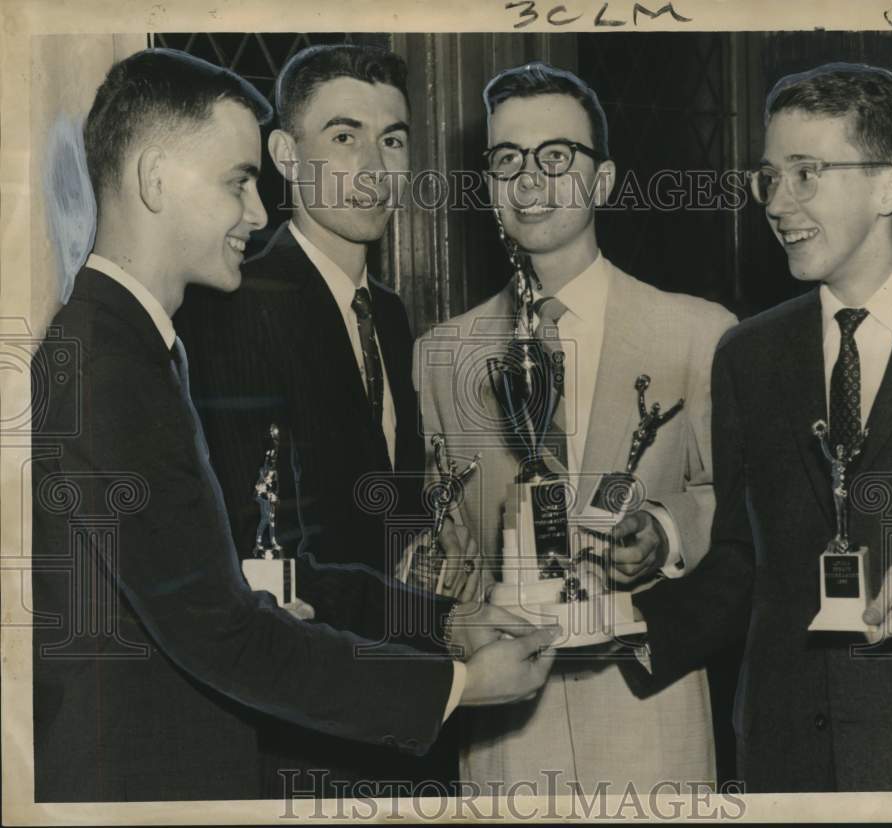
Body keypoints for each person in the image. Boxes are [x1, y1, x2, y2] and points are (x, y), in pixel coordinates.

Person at [31, 47, 557, 803]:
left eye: (395, 138)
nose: (256, 209)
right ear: (153, 179)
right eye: (238, 182)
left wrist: (439, 620)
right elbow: (226, 628)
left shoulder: (132, 344)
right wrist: (459, 685)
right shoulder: (107, 361)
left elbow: (237, 583)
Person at [631, 63, 892, 792]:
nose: (778, 203)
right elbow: (739, 559)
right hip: (781, 760)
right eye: (768, 178)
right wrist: (622, 630)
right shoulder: (747, 356)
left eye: (806, 173)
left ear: (888, 186)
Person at [415, 62, 736, 792]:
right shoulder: (439, 356)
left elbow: (739, 503)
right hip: (503, 731)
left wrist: (665, 530)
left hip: (648, 723)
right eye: (506, 159)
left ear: (604, 180)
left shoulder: (699, 333)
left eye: (556, 156)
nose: (529, 180)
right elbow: (442, 542)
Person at [174, 44, 481, 795]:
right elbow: (265, 559)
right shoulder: (239, 306)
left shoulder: (394, 316)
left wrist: (430, 541)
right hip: (309, 731)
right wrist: (431, 617)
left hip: (398, 709)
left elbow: (365, 507)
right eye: (344, 137)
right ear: (283, 153)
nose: (375, 167)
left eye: (394, 139)